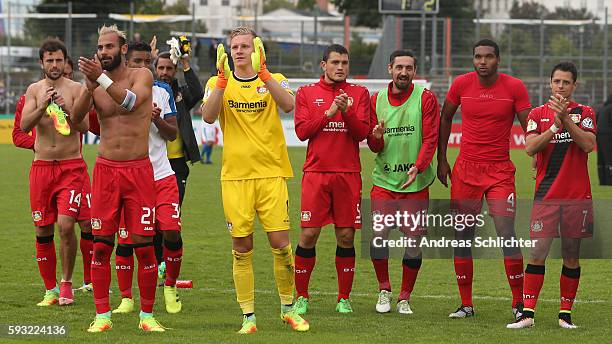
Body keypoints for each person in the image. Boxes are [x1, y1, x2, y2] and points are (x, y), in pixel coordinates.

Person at [201, 26, 309, 334]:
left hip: (271, 174)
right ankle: (248, 316)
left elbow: (289, 106)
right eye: (234, 46)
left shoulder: (272, 79)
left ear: (256, 49)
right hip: (235, 178)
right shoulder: (216, 82)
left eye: (245, 46)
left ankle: (288, 308)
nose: (239, 51)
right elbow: (208, 116)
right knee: (241, 247)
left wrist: (264, 74)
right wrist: (221, 83)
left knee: (281, 245)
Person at [73, 24, 163, 332]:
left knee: (144, 246)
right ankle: (102, 316)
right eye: (100, 48)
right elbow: (76, 120)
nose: (103, 52)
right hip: (106, 171)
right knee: (101, 245)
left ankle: (148, 317)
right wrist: (87, 86)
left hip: (138, 171)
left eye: (109, 47)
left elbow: (130, 103)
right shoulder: (95, 84)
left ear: (122, 49)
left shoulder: (142, 76)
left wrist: (98, 77)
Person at [437, 39, 531, 319]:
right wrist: (442, 159)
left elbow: (530, 127)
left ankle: (519, 304)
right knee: (463, 236)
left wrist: (538, 155)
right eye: (478, 56)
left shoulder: (514, 87)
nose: (482, 61)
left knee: (506, 232)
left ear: (497, 60)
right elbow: (445, 118)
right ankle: (466, 305)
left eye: (488, 57)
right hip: (466, 171)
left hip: (500, 171)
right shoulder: (461, 85)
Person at [507, 62, 597, 329]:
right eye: (557, 81)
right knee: (538, 252)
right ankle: (527, 314)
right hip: (545, 196)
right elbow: (530, 147)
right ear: (550, 83)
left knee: (571, 253)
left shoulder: (585, 112)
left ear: (574, 85)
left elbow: (589, 145)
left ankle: (565, 314)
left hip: (576, 197)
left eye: (566, 82)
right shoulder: (537, 113)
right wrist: (555, 127)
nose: (561, 86)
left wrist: (567, 120)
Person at [292, 44, 370, 315]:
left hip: (348, 174)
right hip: (316, 174)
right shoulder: (306, 93)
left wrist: (346, 110)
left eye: (345, 63)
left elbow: (362, 134)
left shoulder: (359, 94)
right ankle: (301, 296)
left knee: (346, 236)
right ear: (323, 65)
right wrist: (328, 113)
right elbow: (302, 132)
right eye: (335, 62)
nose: (340, 67)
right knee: (309, 234)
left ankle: (343, 298)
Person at [109, 40, 184, 316]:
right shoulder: (117, 91)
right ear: (127, 61)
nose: (142, 67)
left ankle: (171, 285)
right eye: (136, 62)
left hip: (161, 175)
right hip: (130, 175)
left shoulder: (162, 92)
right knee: (127, 239)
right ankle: (127, 297)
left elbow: (172, 134)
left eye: (146, 63)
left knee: (171, 230)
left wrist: (156, 120)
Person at [14, 56, 95, 293]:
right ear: (42, 63)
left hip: (71, 167)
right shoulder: (33, 91)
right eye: (50, 61)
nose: (56, 65)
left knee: (72, 224)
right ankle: (51, 290)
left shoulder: (76, 90)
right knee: (42, 228)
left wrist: (67, 108)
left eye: (59, 61)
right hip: (42, 169)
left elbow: (85, 127)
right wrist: (42, 106)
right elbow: (22, 129)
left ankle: (73, 281)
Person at [367, 50, 439, 315]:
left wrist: (417, 167)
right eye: (399, 67)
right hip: (384, 181)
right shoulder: (376, 100)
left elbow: (431, 138)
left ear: (414, 71)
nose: (404, 72)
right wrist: (375, 137)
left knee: (413, 241)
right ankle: (384, 289)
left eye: (409, 68)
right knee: (378, 237)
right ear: (390, 69)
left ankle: (404, 297)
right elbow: (374, 146)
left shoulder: (426, 98)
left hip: (415, 185)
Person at [155, 49, 203, 205]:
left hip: (176, 163)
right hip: (152, 161)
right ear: (155, 70)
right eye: (161, 68)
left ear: (175, 71)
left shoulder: (180, 95)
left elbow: (197, 92)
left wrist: (185, 63)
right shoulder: (147, 93)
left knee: (173, 215)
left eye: (169, 68)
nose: (164, 72)